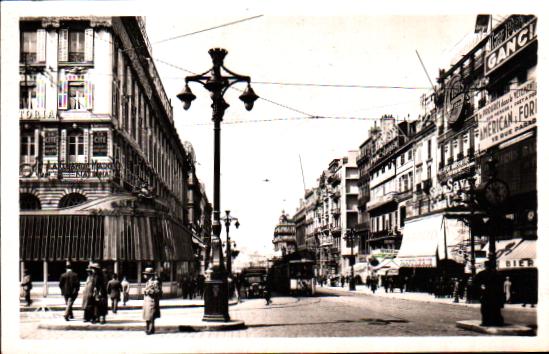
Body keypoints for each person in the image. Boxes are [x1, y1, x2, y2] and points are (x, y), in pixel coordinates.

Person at [474, 261, 505, 326]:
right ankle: (498, 322)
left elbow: (475, 282)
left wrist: (481, 287)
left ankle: (486, 322)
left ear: (486, 266)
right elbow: (501, 284)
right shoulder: (498, 274)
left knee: (485, 309)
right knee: (496, 309)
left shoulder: (482, 273)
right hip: (496, 294)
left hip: (487, 293)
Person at [142, 267, 161, 335]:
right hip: (147, 301)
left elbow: (158, 291)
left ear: (150, 275)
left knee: (151, 316)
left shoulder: (155, 282)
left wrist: (149, 291)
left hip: (152, 301)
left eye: (146, 274)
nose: (145, 275)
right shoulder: (147, 282)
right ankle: (147, 328)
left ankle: (151, 329)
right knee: (147, 316)